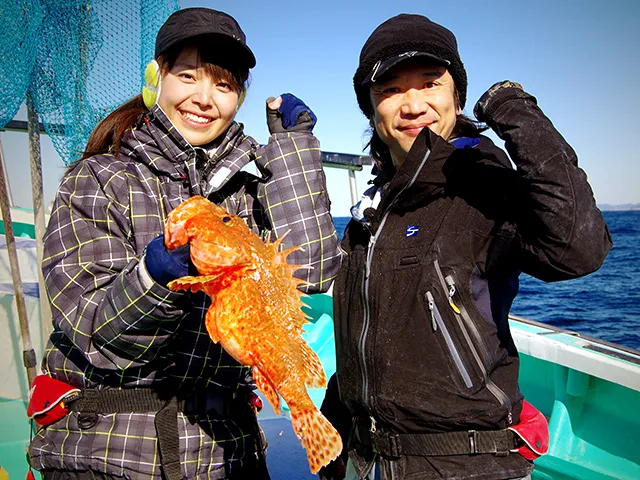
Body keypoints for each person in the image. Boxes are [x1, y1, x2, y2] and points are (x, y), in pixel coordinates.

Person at [27, 7, 342, 480]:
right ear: (158, 79)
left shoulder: (250, 191)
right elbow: (95, 336)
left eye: (223, 84)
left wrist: (294, 156)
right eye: (188, 76)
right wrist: (152, 278)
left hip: (227, 453)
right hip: (110, 453)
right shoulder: (98, 180)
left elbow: (313, 270)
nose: (203, 97)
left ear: (239, 97)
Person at [319, 13, 612, 480]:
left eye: (430, 83)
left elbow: (578, 248)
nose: (412, 104)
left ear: (456, 95)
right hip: (363, 458)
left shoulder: (485, 186)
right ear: (371, 109)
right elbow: (364, 341)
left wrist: (514, 108)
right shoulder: (369, 212)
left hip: (466, 463)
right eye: (391, 89)